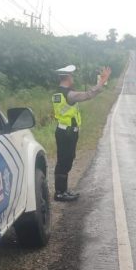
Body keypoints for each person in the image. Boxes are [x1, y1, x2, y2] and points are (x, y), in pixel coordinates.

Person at [52, 65, 111, 201]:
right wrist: (101, 82)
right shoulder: (69, 95)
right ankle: (60, 193)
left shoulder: (58, 92)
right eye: (71, 76)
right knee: (64, 162)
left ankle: (63, 191)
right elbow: (88, 95)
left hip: (64, 131)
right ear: (67, 77)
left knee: (65, 161)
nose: (73, 78)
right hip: (66, 132)